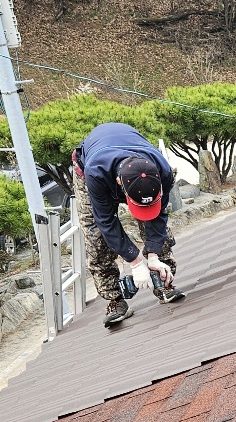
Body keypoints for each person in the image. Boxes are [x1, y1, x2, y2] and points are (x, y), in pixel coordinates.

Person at [72, 122, 185, 328]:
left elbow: (159, 215)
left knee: (156, 227)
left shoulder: (163, 171)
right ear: (118, 183)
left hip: (132, 157)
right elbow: (106, 222)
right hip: (92, 167)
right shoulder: (95, 173)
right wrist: (134, 261)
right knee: (95, 234)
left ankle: (163, 282)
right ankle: (115, 299)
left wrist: (153, 256)